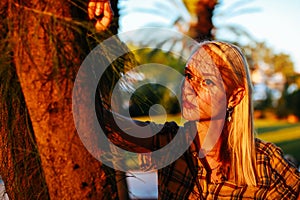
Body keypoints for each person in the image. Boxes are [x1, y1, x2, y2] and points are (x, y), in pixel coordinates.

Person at [89, 1, 300, 199]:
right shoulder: (171, 142)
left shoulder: (265, 162)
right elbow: (101, 121)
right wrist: (96, 35)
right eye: (189, 75)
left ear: (235, 97)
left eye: (207, 81)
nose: (189, 88)